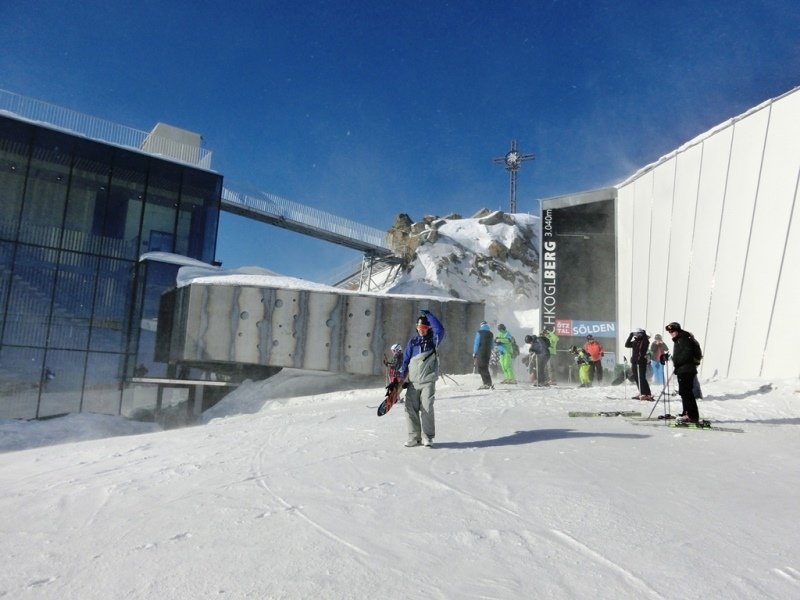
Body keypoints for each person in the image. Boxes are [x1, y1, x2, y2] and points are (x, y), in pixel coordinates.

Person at [397, 309, 445, 447]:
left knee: (427, 407)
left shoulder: (433, 340)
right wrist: (401, 375)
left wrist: (429, 315)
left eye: (424, 328)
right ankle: (414, 438)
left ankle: (428, 437)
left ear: (428, 328)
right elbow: (405, 360)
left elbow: (440, 329)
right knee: (409, 408)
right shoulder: (413, 342)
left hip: (427, 382)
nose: (421, 330)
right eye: (419, 327)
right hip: (413, 382)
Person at [665, 321, 702, 422]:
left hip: (686, 369)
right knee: (684, 392)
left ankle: (692, 415)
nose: (671, 333)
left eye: (672, 331)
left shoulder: (683, 338)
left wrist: (676, 362)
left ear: (677, 330)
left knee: (687, 392)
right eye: (670, 332)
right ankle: (687, 412)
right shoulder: (680, 339)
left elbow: (687, 354)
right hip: (683, 369)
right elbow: (681, 354)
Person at [625, 328, 652, 400]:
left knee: (642, 378)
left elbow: (646, 340)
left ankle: (647, 394)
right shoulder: (635, 342)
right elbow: (627, 345)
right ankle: (642, 392)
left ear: (641, 334)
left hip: (641, 362)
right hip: (634, 362)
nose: (636, 335)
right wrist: (630, 336)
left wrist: (644, 333)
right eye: (635, 334)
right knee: (636, 378)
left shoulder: (644, 341)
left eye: (637, 333)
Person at [472, 321, 494, 390]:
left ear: (481, 325)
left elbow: (476, 343)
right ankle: (488, 383)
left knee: (481, 368)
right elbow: (492, 345)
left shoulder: (479, 333)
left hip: (480, 353)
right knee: (485, 367)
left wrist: (474, 352)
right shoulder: (491, 334)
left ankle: (487, 384)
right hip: (487, 353)